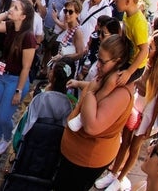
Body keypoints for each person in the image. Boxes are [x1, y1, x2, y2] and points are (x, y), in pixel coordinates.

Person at [95, 30, 158, 191]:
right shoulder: (143, 63)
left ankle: (121, 178)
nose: (147, 50)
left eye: (150, 48)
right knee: (124, 142)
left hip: (146, 115)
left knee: (134, 147)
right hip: (135, 108)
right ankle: (113, 173)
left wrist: (150, 124)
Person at [56, 34, 135, 191]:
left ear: (118, 62)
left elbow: (92, 126)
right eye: (98, 58)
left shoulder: (121, 93)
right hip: (75, 155)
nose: (97, 65)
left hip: (86, 160)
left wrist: (90, 93)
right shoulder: (106, 77)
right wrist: (82, 85)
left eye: (102, 61)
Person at [0, 0, 37, 157]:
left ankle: (7, 138)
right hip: (1, 76)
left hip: (15, 80)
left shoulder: (29, 38)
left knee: (4, 115)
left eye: (16, 8)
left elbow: (26, 67)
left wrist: (19, 90)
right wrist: (6, 13)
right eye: (13, 6)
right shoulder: (10, 26)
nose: (12, 9)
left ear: (23, 16)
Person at [116, 0, 150, 86]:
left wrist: (129, 72)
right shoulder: (127, 15)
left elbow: (144, 51)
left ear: (127, 0)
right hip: (127, 57)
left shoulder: (138, 23)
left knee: (114, 80)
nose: (115, 0)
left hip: (136, 66)